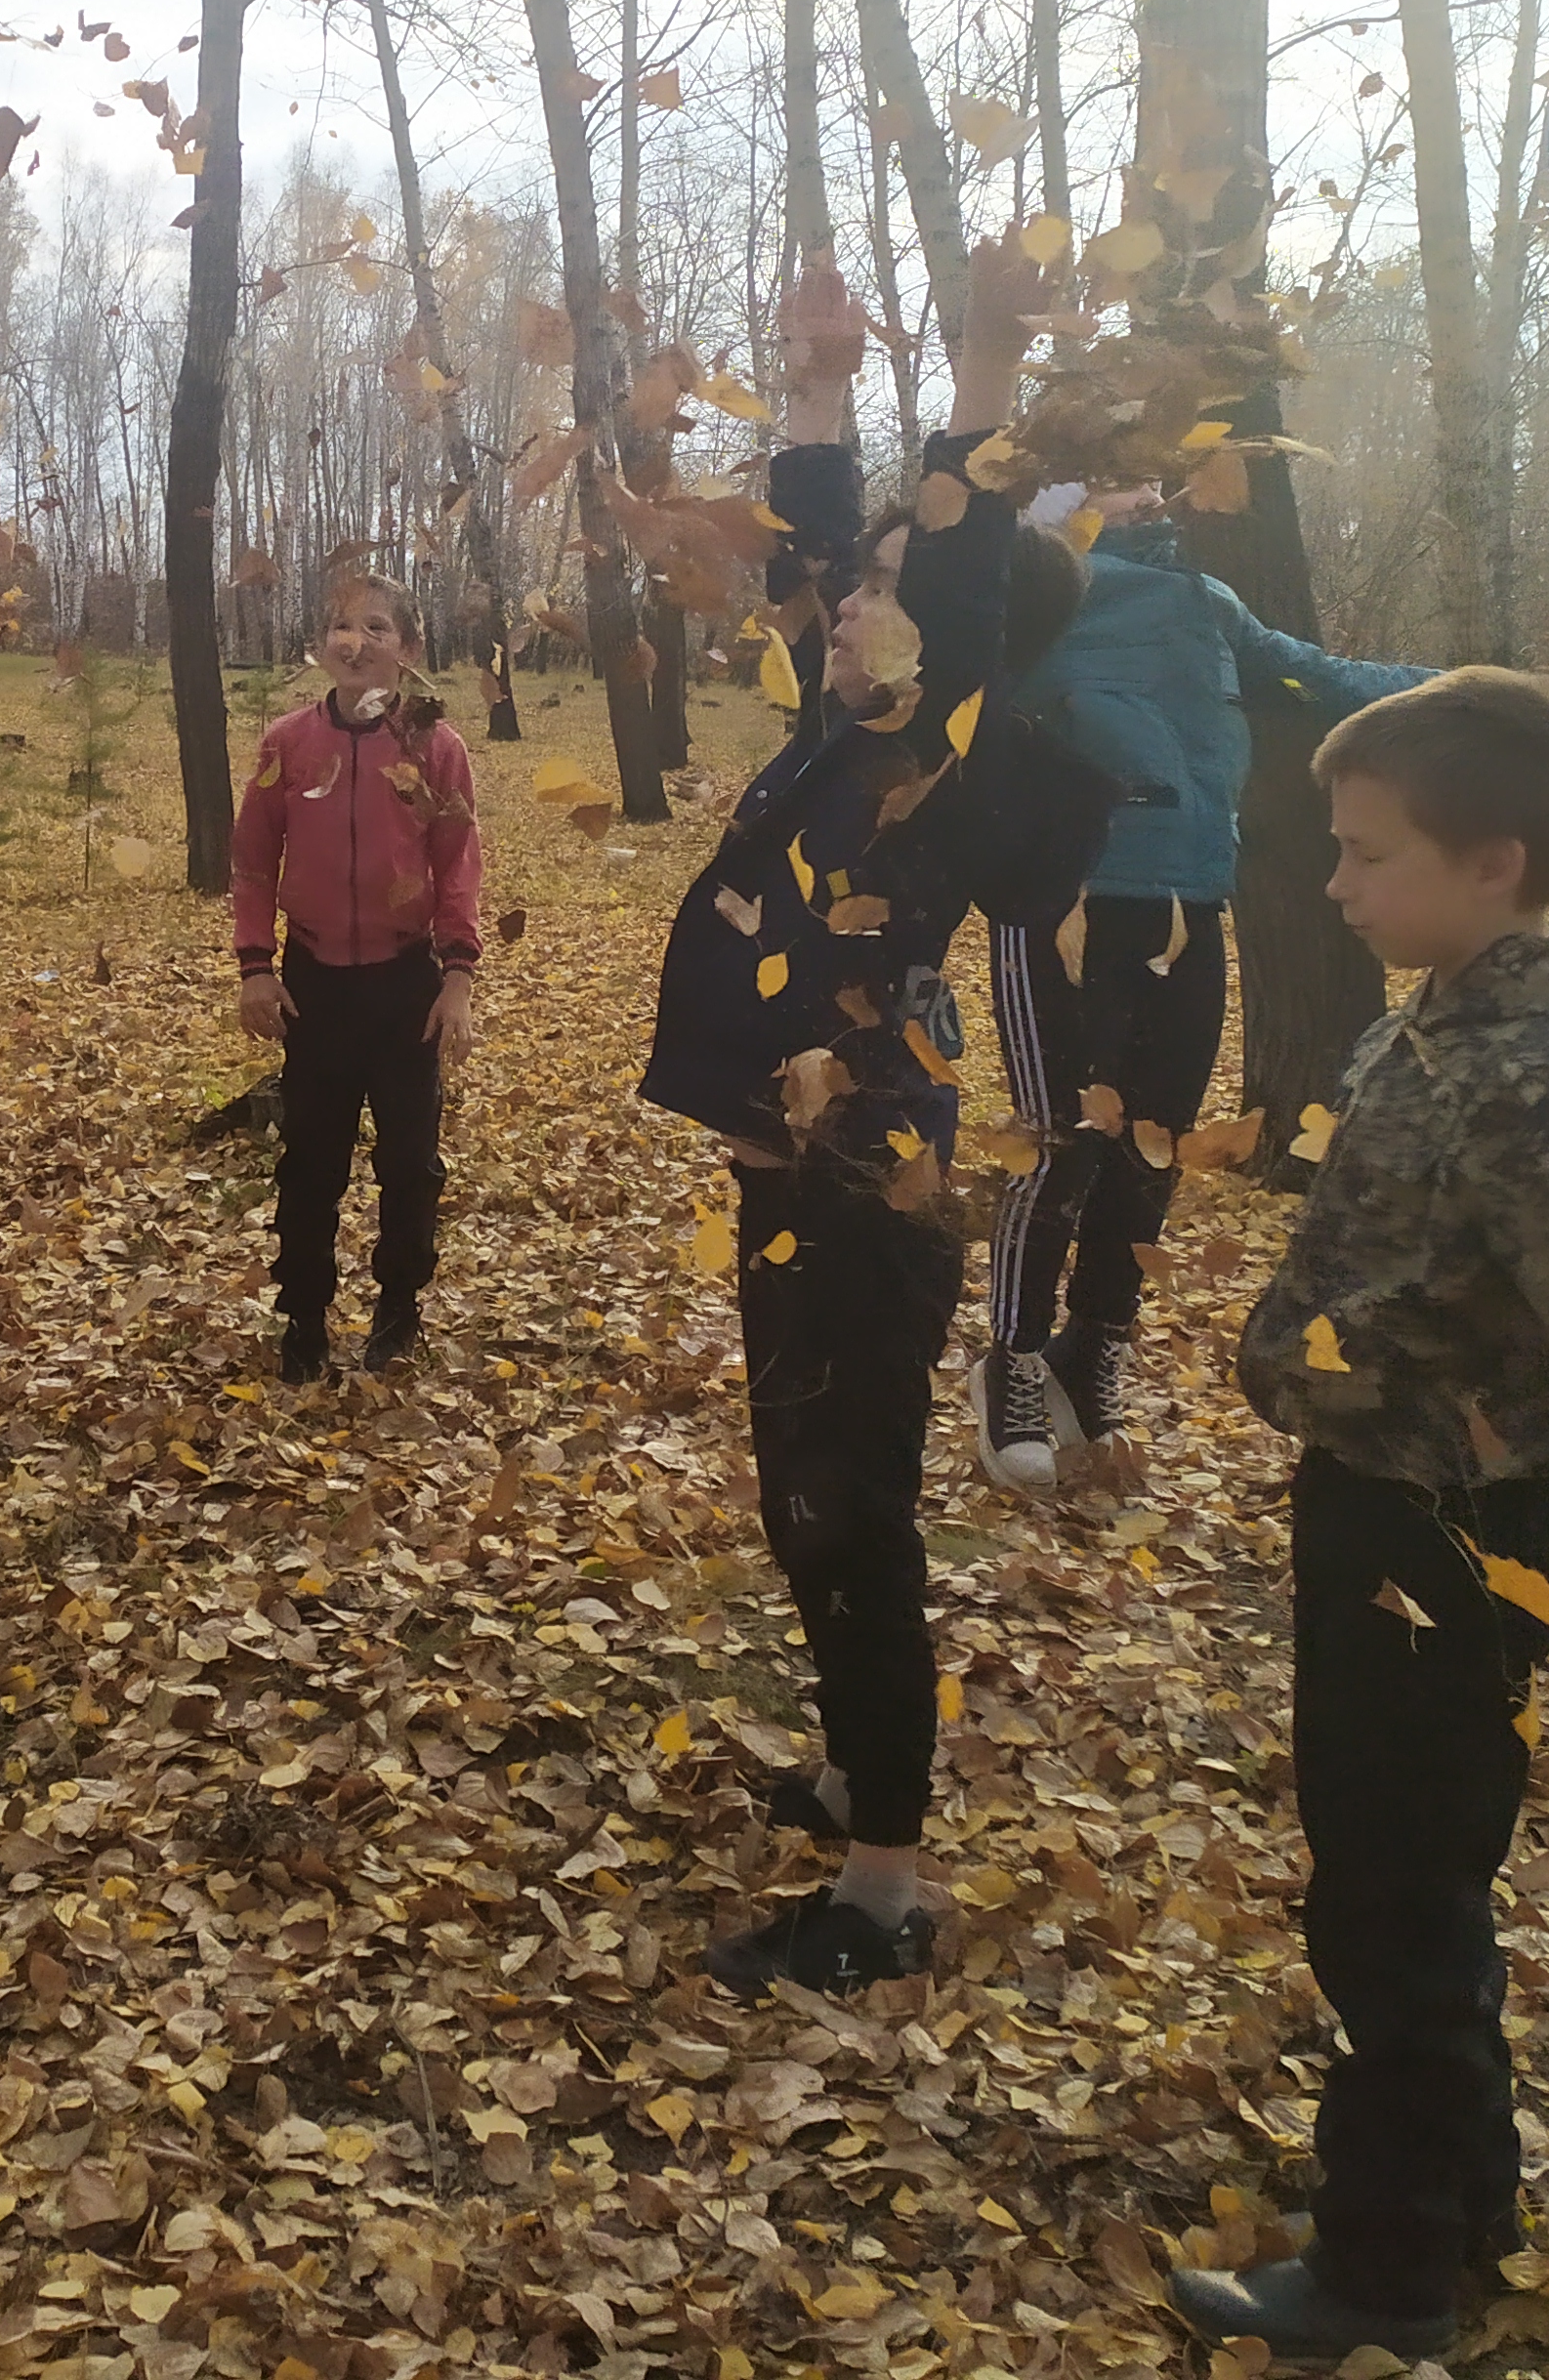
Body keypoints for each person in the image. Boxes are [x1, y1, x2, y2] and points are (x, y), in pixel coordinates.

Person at [1169, 668, 1549, 2363]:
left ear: (1494, 864)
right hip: (1371, 1503)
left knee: (1396, 1898)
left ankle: (1388, 2272)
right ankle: (1461, 2181)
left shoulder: (1542, 1078)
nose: (1335, 885)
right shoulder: (1442, 1011)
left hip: (1440, 1538)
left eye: (1365, 856)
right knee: (1402, 1874)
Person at [639, 234, 1113, 2002]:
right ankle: (855, 1761)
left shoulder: (945, 745)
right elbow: (828, 544)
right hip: (791, 1167)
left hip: (866, 1172)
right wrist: (821, 386)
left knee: (848, 1509)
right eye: (852, 587)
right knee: (800, 1496)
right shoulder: (848, 727)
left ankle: (887, 1883)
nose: (845, 601)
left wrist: (981, 368)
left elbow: (963, 566)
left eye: (883, 589)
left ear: (962, 632)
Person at [977, 490, 1425, 1494]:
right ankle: (1008, 1360)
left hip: (1191, 903)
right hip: (1068, 905)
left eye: (1149, 470)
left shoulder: (1208, 600)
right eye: (1113, 471)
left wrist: (1462, 688)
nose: (1141, 486)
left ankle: (1090, 1350)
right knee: (1060, 1145)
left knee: (1151, 1149)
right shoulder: (1043, 583)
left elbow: (1318, 679)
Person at [230, 568, 483, 1382]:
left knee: (410, 1163)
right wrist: (254, 967)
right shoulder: (286, 744)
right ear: (320, 647)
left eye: (379, 627)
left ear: (406, 651)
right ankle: (303, 1317)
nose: (358, 641)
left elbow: (458, 867)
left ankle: (399, 1309)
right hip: (314, 985)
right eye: (343, 626)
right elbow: (251, 862)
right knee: (311, 1162)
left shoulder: (434, 748)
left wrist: (458, 978)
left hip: (405, 985)